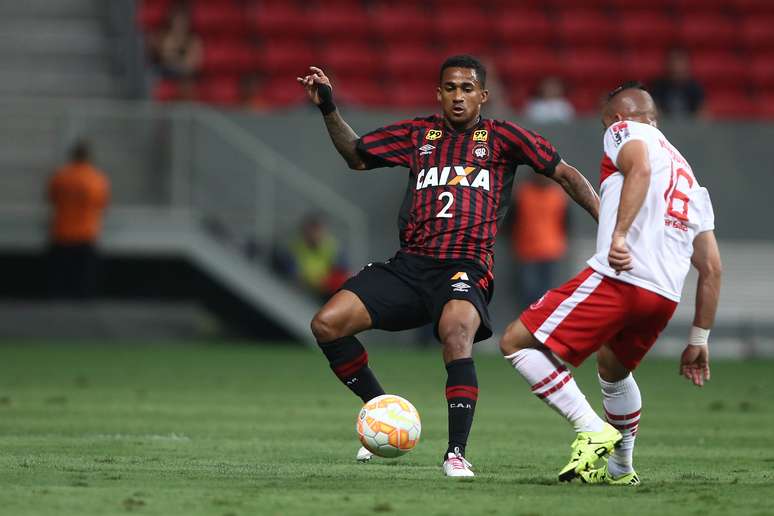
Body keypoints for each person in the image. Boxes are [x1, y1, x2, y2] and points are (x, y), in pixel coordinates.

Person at [297, 55, 600, 477]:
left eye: (467, 88)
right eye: (451, 88)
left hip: (465, 267)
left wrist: (608, 223)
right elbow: (356, 155)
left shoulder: (504, 138)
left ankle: (456, 452)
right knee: (327, 324)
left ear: (483, 96)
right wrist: (328, 106)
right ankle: (383, 412)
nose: (459, 96)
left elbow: (564, 173)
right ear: (439, 93)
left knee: (456, 333)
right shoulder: (419, 133)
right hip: (410, 266)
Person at [498, 82, 721, 485]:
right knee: (613, 370)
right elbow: (712, 269)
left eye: (606, 123)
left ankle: (591, 428)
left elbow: (639, 167)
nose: (608, 132)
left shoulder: (626, 131)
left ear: (618, 118)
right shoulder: (689, 177)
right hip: (664, 297)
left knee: (515, 341)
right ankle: (621, 468)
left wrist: (619, 235)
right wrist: (699, 339)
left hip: (622, 278)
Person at [48, 140, 111, 299]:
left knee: (60, 271)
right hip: (86, 232)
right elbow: (102, 203)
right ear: (88, 157)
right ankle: (84, 295)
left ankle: (59, 294)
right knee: (85, 273)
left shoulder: (61, 176)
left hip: (62, 230)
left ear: (72, 156)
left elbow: (52, 197)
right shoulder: (97, 178)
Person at [511, 173, 568, 309]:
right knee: (527, 291)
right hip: (526, 250)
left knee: (546, 292)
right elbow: (512, 220)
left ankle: (539, 322)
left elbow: (566, 222)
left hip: (550, 250)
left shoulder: (557, 195)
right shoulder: (523, 193)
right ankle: (527, 322)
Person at [283, 214, 349, 301]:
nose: (314, 234)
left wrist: (325, 282)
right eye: (312, 229)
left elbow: (342, 272)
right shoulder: (296, 246)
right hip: (301, 286)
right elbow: (291, 268)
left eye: (318, 230)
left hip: (323, 289)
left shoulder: (333, 248)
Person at [650, 49, 705, 117]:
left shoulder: (695, 88)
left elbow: (702, 115)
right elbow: (654, 113)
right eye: (673, 61)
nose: (676, 66)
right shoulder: (658, 87)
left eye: (680, 61)